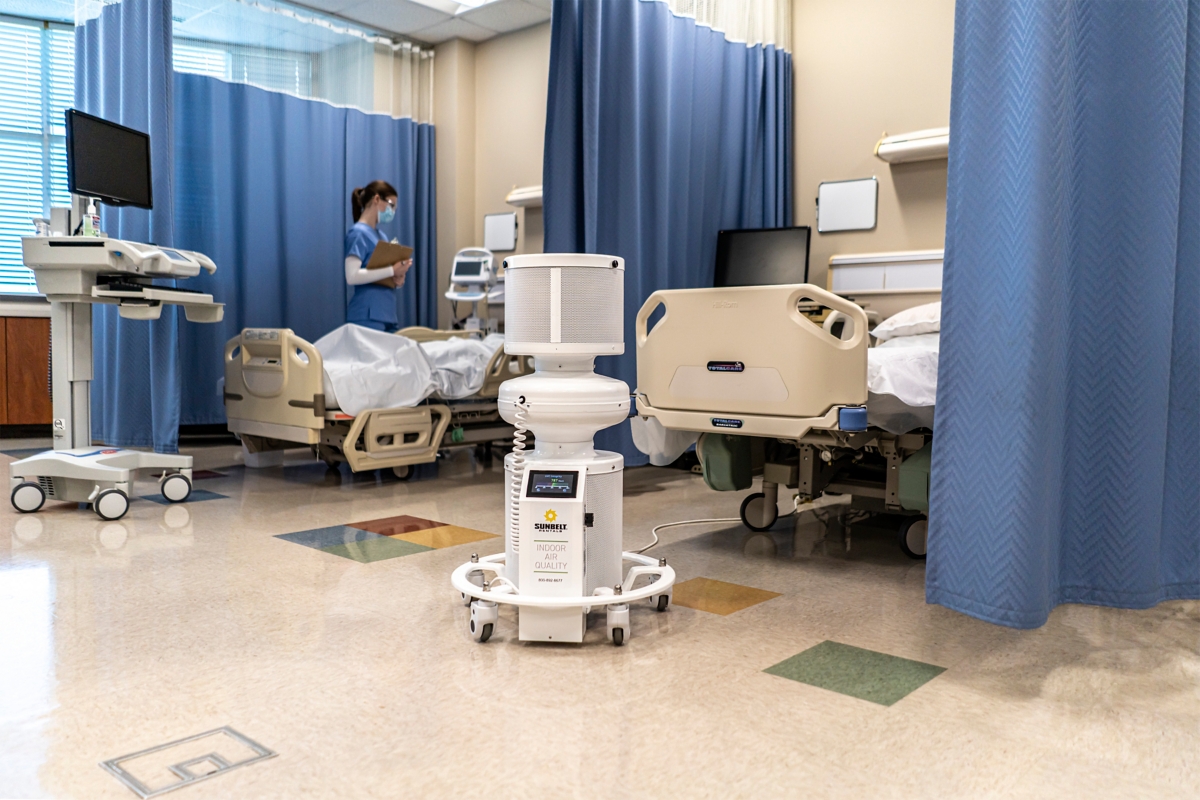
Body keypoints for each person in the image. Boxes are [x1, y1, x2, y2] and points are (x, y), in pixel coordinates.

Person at [344, 180, 413, 332]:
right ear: (376, 199)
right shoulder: (358, 233)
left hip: (387, 313)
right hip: (367, 314)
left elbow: (383, 274)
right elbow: (352, 276)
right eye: (391, 205)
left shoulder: (381, 236)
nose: (392, 211)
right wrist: (391, 271)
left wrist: (398, 279)